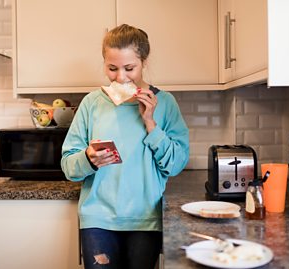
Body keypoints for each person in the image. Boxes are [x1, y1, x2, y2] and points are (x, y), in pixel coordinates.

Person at [60, 24, 189, 269]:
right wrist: (88, 159)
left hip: (145, 220)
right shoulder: (91, 104)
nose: (121, 77)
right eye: (112, 68)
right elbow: (68, 166)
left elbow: (176, 165)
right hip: (97, 219)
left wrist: (151, 123)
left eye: (129, 68)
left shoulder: (165, 103)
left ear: (144, 62)